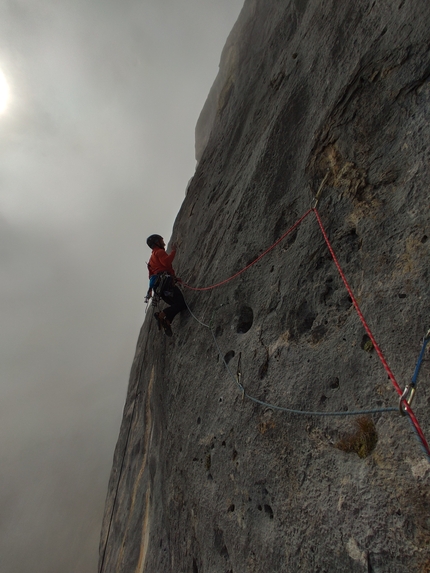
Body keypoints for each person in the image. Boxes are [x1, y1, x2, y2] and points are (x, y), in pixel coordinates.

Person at [146, 234, 187, 336]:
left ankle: (167, 320)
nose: (164, 243)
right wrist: (173, 251)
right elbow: (167, 263)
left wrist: (174, 277)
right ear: (157, 242)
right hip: (166, 284)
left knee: (178, 305)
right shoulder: (159, 252)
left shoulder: (151, 259)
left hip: (160, 289)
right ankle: (161, 314)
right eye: (161, 240)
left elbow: (152, 275)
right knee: (181, 302)